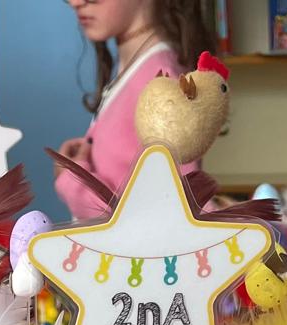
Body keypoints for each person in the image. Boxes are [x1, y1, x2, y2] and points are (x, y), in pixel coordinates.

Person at [54, 0, 212, 221]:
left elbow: (172, 217)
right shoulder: (141, 68)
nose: (75, 2)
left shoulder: (159, 80)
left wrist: (72, 180)